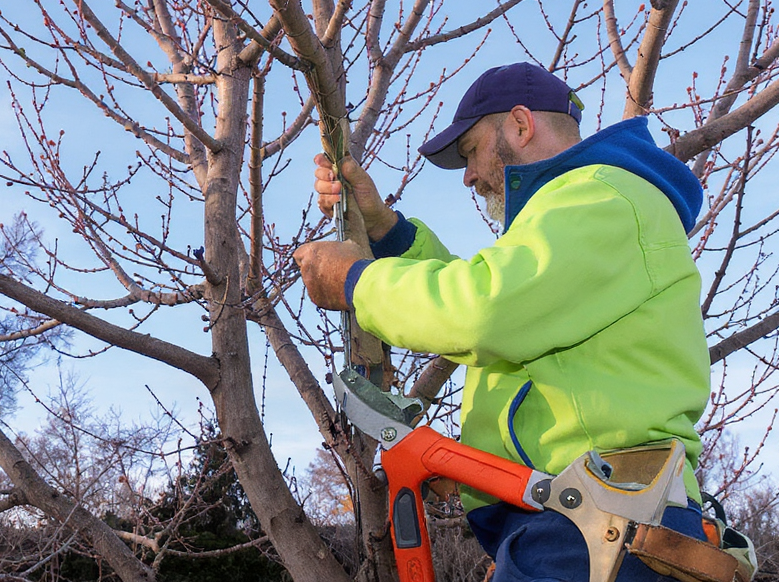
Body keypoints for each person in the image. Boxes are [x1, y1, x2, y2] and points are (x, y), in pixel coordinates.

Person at [294, 62, 713, 582]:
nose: (468, 176)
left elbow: (480, 309)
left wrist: (355, 280)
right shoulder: (582, 213)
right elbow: (492, 299)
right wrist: (384, 229)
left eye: (470, 151)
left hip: (600, 526)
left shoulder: (602, 197)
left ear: (519, 124)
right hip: (583, 522)